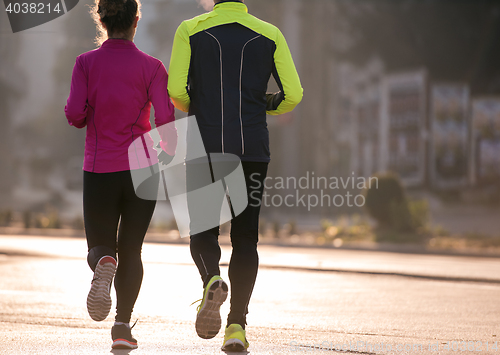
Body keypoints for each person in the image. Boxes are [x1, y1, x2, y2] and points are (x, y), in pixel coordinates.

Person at [168, 0, 303, 351]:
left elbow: (176, 91)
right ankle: (237, 327)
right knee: (246, 239)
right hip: (252, 150)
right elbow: (293, 95)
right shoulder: (270, 34)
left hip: (205, 146)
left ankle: (211, 277)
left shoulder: (190, 30)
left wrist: (199, 104)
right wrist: (264, 104)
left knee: (202, 230)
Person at [64, 0, 176, 349]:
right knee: (133, 249)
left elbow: (75, 114)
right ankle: (122, 328)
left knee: (100, 248)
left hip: (100, 168)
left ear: (101, 19)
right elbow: (167, 124)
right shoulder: (153, 67)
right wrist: (165, 152)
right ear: (136, 21)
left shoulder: (85, 63)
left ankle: (103, 260)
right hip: (143, 170)